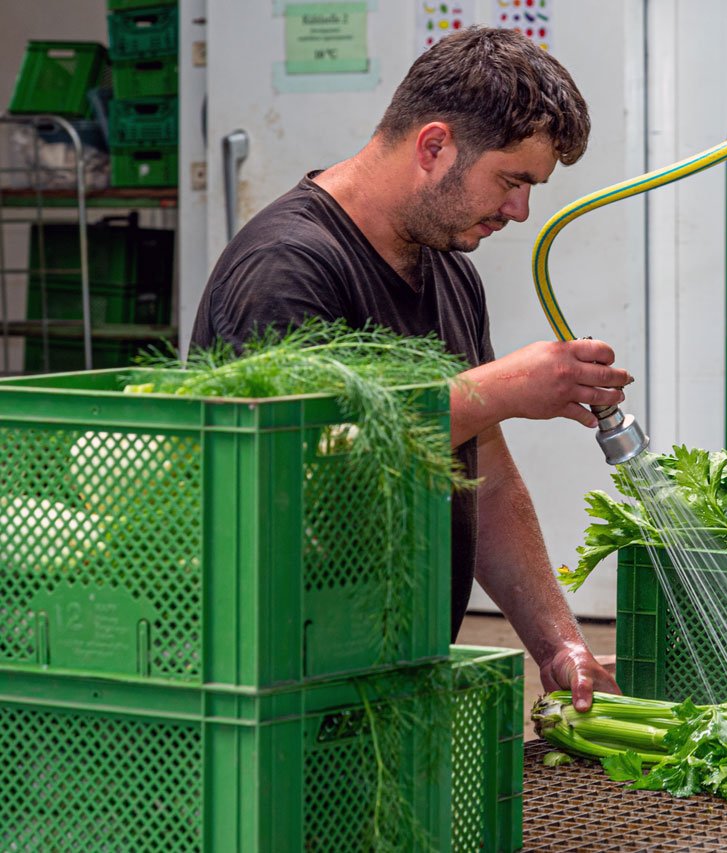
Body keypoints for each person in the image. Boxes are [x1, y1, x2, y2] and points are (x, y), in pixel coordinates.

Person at [190, 26, 624, 711]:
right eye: (511, 181)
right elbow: (309, 464)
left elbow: (483, 475)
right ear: (433, 146)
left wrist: (558, 643)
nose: (520, 211)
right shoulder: (286, 267)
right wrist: (498, 389)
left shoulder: (450, 269)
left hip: (396, 667)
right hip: (283, 678)